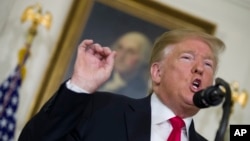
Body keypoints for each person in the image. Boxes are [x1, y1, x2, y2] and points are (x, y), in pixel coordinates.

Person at [18, 29, 225, 141]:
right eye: (188, 58)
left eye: (208, 64)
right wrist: (80, 86)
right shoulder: (102, 109)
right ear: (157, 72)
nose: (200, 68)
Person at [99, 31, 152, 98]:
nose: (122, 56)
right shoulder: (100, 74)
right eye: (120, 48)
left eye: (130, 52)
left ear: (142, 59)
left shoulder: (140, 93)